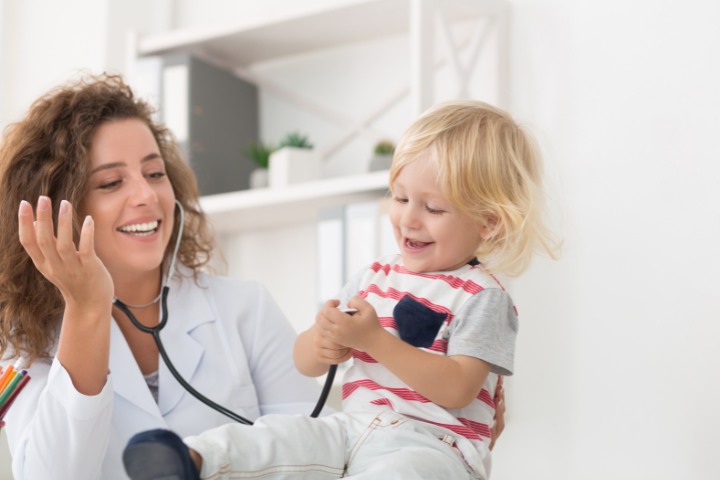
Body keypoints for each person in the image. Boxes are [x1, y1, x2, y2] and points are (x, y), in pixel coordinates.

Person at [122, 100, 556, 480]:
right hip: (353, 428)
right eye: (400, 198)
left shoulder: (484, 296)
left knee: (401, 473)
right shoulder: (375, 277)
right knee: (286, 435)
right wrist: (325, 340)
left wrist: (373, 341)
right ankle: (195, 459)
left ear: (489, 221)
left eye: (434, 207)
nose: (409, 219)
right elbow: (304, 363)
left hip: (434, 449)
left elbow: (458, 388)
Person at [0, 72, 324, 479]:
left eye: (154, 174)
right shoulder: (26, 339)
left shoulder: (246, 309)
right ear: (59, 210)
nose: (147, 195)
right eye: (112, 182)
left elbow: (320, 449)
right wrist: (87, 310)